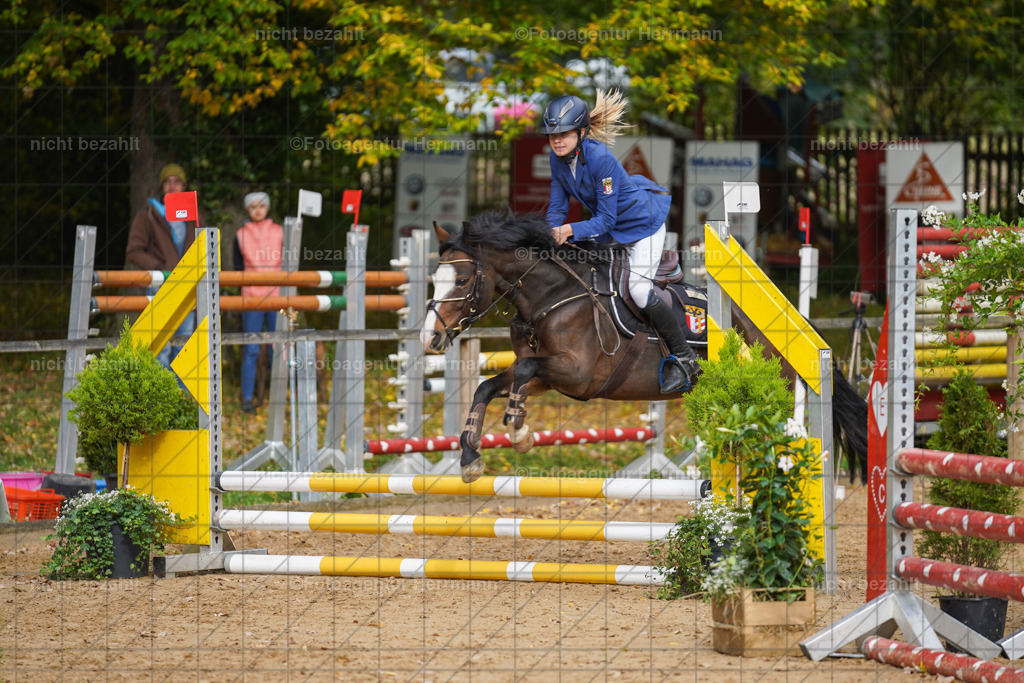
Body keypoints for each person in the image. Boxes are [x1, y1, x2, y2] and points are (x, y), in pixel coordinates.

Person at [543, 91, 700, 393]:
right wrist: (551, 232)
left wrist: (567, 231)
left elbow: (605, 220)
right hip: (610, 231)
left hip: (643, 226)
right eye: (552, 135)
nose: (556, 140)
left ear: (582, 132)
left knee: (639, 290)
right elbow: (557, 208)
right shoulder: (558, 160)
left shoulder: (599, 157)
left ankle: (685, 357)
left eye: (563, 134)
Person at [125, 163, 201, 371]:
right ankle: (163, 397)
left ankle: (182, 399)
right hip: (160, 286)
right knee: (161, 345)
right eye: (168, 181)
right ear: (161, 186)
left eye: (177, 182)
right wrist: (160, 269)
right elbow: (134, 250)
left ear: (184, 186)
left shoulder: (193, 215)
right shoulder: (149, 214)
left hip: (187, 286)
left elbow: (205, 246)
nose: (172, 185)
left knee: (184, 344)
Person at [232, 192, 283, 413]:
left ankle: (278, 396)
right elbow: (237, 268)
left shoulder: (280, 232)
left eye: (261, 205)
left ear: (268, 208)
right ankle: (247, 398)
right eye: (252, 207)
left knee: (278, 346)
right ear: (247, 210)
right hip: (251, 296)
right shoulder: (240, 235)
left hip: (276, 295)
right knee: (251, 348)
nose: (258, 210)